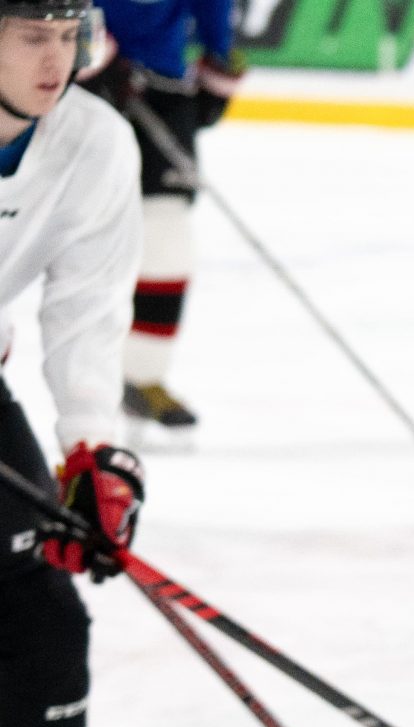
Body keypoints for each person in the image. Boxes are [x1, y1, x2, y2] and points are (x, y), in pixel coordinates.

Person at [0, 1, 147, 727]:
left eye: (68, 36)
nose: (56, 60)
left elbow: (87, 307)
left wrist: (93, 445)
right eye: (29, 37)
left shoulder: (93, 142)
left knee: (41, 598)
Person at [86, 0, 241, 431]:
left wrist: (220, 65)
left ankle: (142, 376)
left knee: (167, 238)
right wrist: (93, 54)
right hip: (66, 84)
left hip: (165, 90)